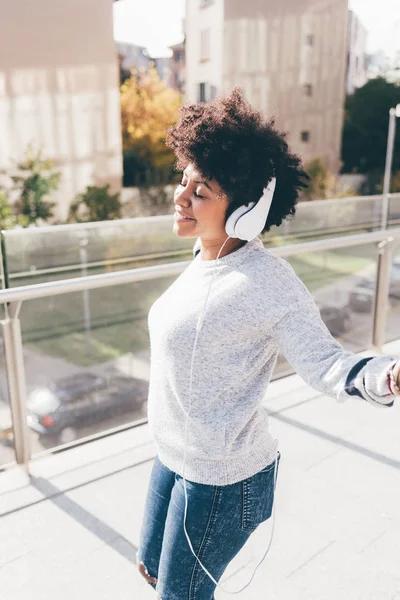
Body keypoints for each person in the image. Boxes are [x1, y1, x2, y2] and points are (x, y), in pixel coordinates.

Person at [136, 88, 399, 600]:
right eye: (183, 182)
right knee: (150, 568)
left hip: (221, 481)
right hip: (172, 455)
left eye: (201, 192)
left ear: (246, 212)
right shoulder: (205, 256)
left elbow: (327, 363)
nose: (180, 197)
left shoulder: (266, 282)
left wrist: (384, 375)